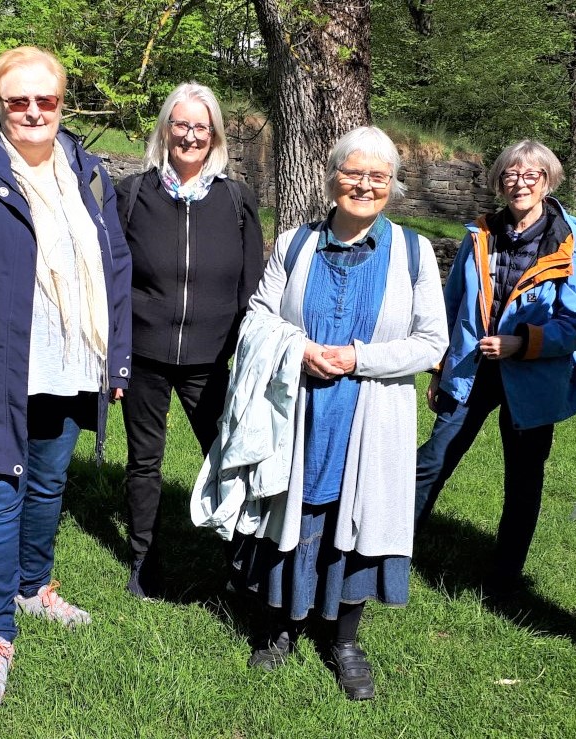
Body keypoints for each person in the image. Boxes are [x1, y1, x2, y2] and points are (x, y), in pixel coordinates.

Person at [0, 46, 132, 705]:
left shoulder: (88, 172)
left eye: (46, 99)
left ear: (62, 102)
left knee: (47, 483)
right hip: (0, 365)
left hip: (72, 359)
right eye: (19, 100)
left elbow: (115, 265)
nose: (34, 111)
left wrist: (117, 355)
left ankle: (32, 586)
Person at [215, 126, 447, 700]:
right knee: (290, 512)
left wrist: (358, 358)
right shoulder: (295, 244)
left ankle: (344, 640)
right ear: (332, 177)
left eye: (378, 176)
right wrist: (300, 350)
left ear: (392, 185)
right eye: (353, 172)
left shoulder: (413, 253)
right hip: (299, 409)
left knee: (358, 517)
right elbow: (258, 316)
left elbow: (431, 343)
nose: (364, 185)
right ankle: (280, 628)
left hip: (371, 416)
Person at [413, 140, 576, 599]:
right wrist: (438, 367)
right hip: (471, 369)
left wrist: (524, 343)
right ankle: (392, 549)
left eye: (531, 175)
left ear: (548, 181)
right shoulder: (481, 233)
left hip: (531, 377)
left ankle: (504, 578)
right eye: (511, 175)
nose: (520, 183)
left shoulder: (568, 242)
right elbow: (451, 304)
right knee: (433, 459)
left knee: (523, 478)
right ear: (499, 181)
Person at [115, 83, 263, 599]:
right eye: (181, 124)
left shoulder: (237, 201)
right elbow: (114, 279)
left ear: (215, 135)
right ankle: (144, 558)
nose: (191, 135)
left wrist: (244, 351)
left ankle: (241, 559)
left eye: (202, 126)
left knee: (227, 457)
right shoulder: (132, 195)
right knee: (144, 460)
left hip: (213, 358)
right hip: (144, 354)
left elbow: (252, 285)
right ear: (165, 130)